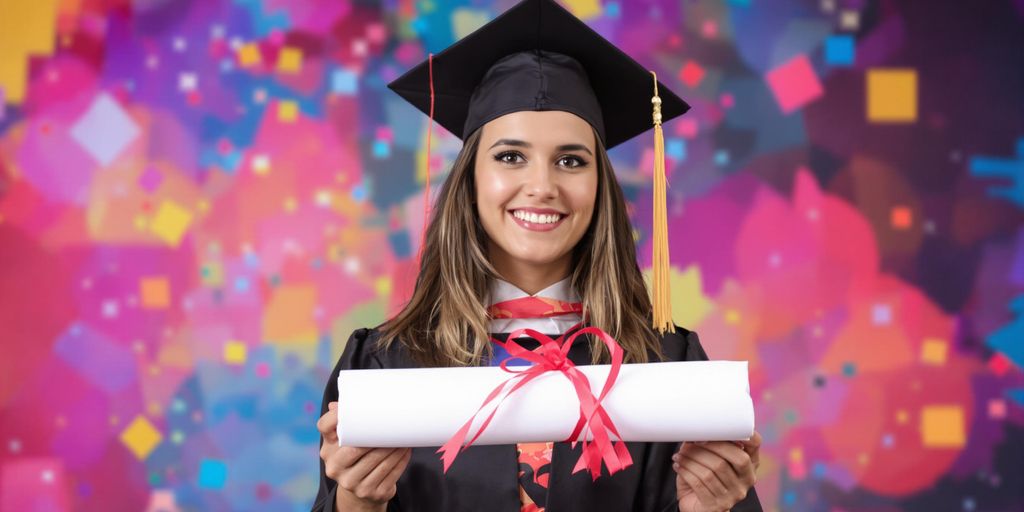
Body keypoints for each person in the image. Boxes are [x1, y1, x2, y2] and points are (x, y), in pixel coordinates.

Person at [312, 0, 763, 510]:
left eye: (571, 160)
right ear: (472, 179)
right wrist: (357, 500)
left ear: (600, 186)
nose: (542, 185)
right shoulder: (386, 365)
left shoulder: (668, 367)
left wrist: (708, 508)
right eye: (510, 156)